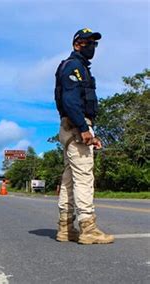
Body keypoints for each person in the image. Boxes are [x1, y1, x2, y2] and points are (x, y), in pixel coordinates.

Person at [54, 28, 114, 245]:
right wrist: (84, 128)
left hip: (74, 127)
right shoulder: (73, 67)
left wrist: (88, 130)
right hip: (76, 126)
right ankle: (88, 228)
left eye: (94, 44)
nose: (92, 47)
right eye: (88, 43)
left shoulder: (79, 68)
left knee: (70, 179)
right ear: (77, 44)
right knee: (84, 177)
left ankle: (65, 228)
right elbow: (70, 102)